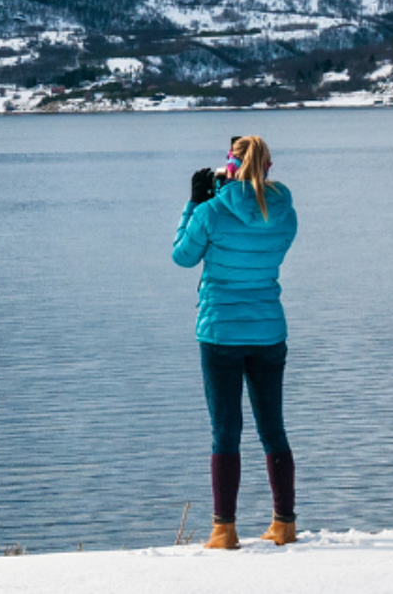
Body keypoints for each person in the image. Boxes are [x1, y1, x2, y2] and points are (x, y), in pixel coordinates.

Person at [172, 134, 298, 549]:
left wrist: (195, 203)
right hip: (267, 331)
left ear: (230, 167)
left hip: (221, 332)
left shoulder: (210, 211)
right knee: (273, 429)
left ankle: (224, 530)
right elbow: (268, 249)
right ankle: (284, 524)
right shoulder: (284, 213)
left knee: (225, 431)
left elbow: (183, 257)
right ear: (267, 168)